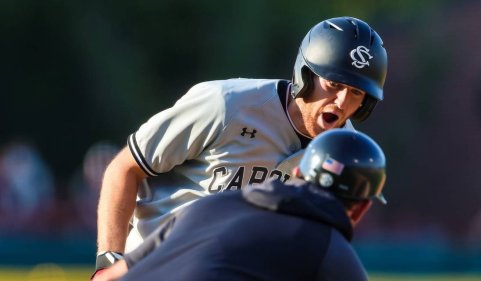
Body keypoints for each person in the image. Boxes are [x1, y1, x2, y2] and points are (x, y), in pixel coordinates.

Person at [95, 16, 388, 272]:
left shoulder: (342, 152)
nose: (341, 101)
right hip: (155, 265)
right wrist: (109, 261)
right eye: (334, 84)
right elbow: (125, 168)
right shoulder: (226, 105)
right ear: (306, 75)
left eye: (356, 93)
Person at [92, 129, 388, 281]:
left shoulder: (211, 205)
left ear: (297, 173)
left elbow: (109, 277)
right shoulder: (331, 250)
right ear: (361, 208)